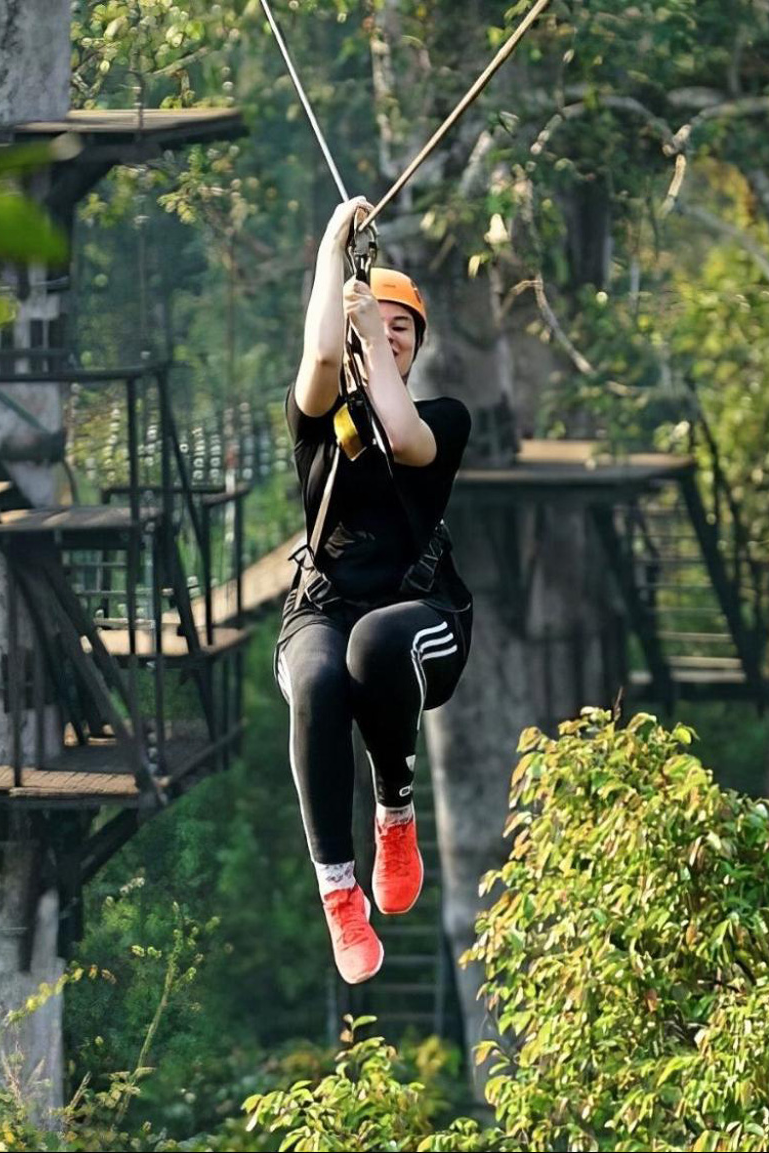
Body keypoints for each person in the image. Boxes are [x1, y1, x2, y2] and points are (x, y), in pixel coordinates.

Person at [275, 196, 473, 985]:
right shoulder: (317, 417)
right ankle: (339, 891)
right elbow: (323, 364)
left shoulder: (444, 417)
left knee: (373, 644)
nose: (385, 333)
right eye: (376, 320)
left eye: (403, 328)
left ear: (417, 347)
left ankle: (395, 807)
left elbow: (403, 437)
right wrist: (331, 251)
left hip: (424, 616)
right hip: (321, 604)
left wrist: (371, 339)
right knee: (322, 676)